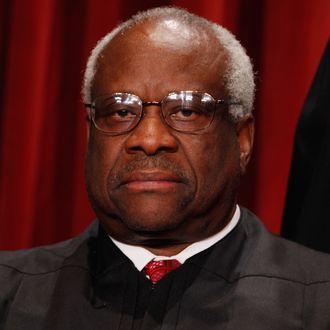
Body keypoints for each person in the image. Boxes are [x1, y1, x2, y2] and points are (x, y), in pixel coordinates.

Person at [1, 7, 330, 330]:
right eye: (120, 112)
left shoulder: (318, 301)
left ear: (242, 139)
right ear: (90, 135)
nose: (149, 138)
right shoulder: (9, 295)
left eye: (186, 111)